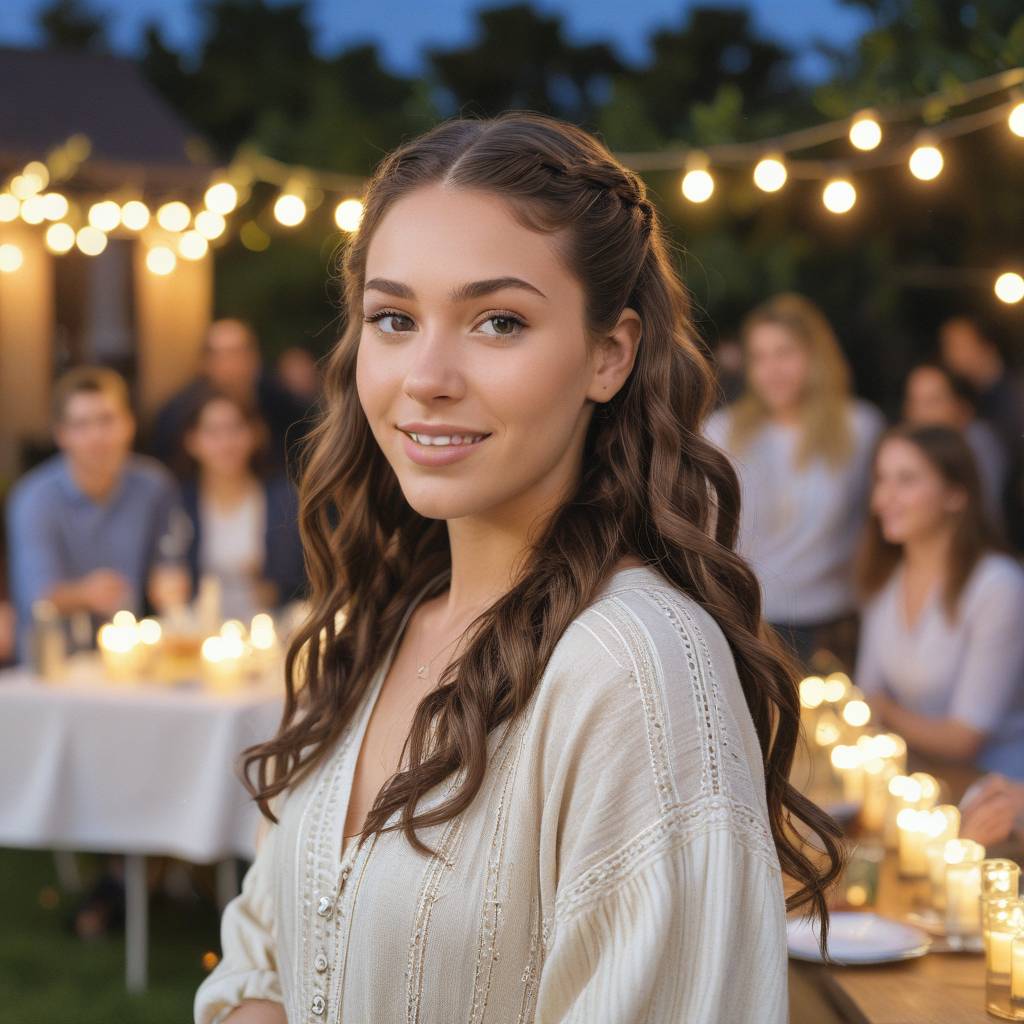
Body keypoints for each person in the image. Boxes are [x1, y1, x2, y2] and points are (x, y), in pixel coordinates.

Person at [194, 112, 842, 1024]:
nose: (427, 374)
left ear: (608, 355)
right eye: (394, 318)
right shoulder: (375, 631)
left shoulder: (636, 673)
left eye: (498, 321)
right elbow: (259, 957)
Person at [705, 294, 885, 667]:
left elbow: (878, 527)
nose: (772, 369)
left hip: (833, 624)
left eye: (784, 352)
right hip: (748, 624)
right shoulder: (722, 432)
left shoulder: (859, 429)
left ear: (815, 355)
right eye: (760, 356)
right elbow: (707, 532)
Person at [856, 424, 1024, 778]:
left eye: (906, 480)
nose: (882, 499)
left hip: (994, 791)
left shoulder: (997, 586)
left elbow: (965, 738)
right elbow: (867, 691)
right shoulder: (886, 576)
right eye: (881, 480)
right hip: (913, 778)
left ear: (956, 495)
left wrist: (883, 710)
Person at [6, 366, 184, 663]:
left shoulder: (154, 486)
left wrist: (170, 578)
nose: (97, 436)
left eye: (107, 420)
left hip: (133, 659)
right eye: (81, 425)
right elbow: (38, 596)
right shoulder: (34, 498)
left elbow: (170, 560)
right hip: (54, 664)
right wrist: (86, 594)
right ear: (61, 434)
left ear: (129, 424)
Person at [179, 387, 306, 620]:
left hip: (270, 629)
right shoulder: (180, 502)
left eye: (235, 429)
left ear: (254, 435)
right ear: (192, 441)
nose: (226, 443)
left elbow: (304, 579)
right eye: (213, 432)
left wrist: (272, 585)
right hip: (198, 633)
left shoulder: (283, 498)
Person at [150, 319, 311, 473]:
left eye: (237, 353)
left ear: (254, 358)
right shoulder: (177, 414)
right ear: (204, 363)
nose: (230, 364)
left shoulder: (280, 403)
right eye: (219, 355)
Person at [939, 315, 1024, 547]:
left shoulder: (1015, 398)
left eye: (957, 345)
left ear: (987, 345)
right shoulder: (972, 398)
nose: (950, 356)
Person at [902, 361, 1008, 534]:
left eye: (932, 401)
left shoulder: (979, 443)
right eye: (914, 401)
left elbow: (984, 517)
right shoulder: (903, 451)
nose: (920, 412)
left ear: (963, 409)